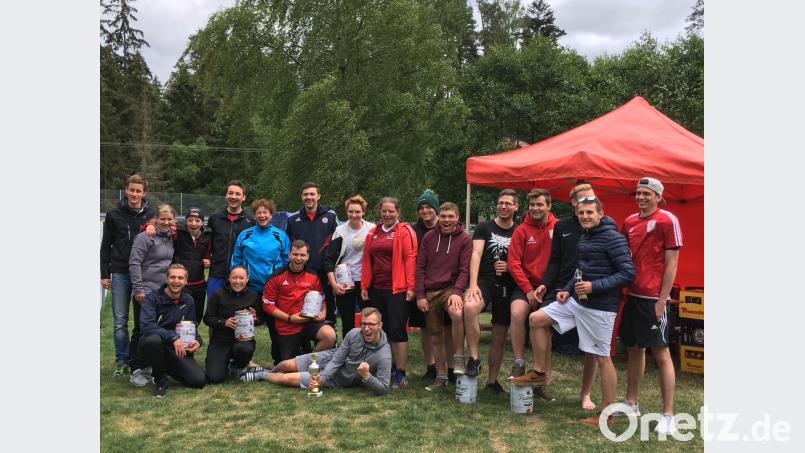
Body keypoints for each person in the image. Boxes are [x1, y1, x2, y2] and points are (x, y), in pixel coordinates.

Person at [512, 197, 634, 426]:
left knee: (602, 358)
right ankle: (539, 372)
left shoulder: (613, 238)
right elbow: (580, 268)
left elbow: (627, 273)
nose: (584, 216)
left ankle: (607, 416)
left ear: (601, 213)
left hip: (600, 308)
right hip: (577, 301)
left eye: (589, 212)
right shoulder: (585, 237)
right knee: (536, 318)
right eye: (581, 213)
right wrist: (567, 290)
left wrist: (593, 286)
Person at [620, 177, 682, 435]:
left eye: (647, 193)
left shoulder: (668, 220)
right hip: (631, 296)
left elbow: (672, 264)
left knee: (661, 354)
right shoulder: (629, 222)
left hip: (653, 299)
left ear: (658, 196)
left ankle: (668, 414)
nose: (641, 197)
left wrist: (661, 300)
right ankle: (631, 402)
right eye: (638, 193)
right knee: (634, 350)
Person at [537, 183, 603, 410]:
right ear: (574, 202)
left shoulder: (604, 223)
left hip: (590, 290)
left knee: (592, 347)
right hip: (563, 289)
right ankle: (541, 379)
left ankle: (585, 394)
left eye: (591, 200)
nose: (588, 205)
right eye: (584, 200)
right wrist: (545, 284)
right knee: (538, 320)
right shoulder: (562, 225)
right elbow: (554, 260)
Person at [240, 308, 392, 396]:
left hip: (338, 379)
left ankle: (261, 375)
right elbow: (338, 358)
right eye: (363, 324)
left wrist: (367, 376)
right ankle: (269, 370)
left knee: (286, 379)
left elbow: (384, 389)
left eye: (371, 324)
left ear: (380, 325)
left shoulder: (383, 354)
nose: (366, 329)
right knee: (285, 364)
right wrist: (323, 377)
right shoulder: (354, 333)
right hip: (328, 359)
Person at [100, 174, 155, 377]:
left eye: (138, 190)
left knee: (143, 321)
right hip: (121, 272)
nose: (134, 194)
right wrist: (105, 274)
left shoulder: (152, 214)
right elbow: (105, 246)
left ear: (144, 193)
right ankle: (121, 360)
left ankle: (141, 360)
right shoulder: (114, 214)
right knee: (120, 321)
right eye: (131, 190)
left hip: (144, 273)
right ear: (126, 190)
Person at [465, 189, 519, 394]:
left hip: (508, 285)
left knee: (499, 333)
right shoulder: (484, 227)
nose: (503, 206)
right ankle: (474, 358)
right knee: (470, 308)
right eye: (500, 202)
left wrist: (510, 267)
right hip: (485, 282)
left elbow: (523, 261)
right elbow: (476, 253)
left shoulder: (519, 230)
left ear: (515, 206)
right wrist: (472, 284)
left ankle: (492, 381)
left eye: (508, 203)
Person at [361, 197, 418, 389]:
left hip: (398, 290)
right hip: (377, 289)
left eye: (391, 211)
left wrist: (411, 287)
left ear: (398, 213)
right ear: (380, 212)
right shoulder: (372, 233)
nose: (387, 214)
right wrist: (365, 285)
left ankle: (400, 373)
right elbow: (366, 261)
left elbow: (410, 259)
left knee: (396, 330)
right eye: (384, 211)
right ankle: (387, 368)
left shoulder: (404, 231)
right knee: (379, 330)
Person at [507, 188, 558, 401]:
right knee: (517, 313)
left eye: (540, 204)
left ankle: (541, 379)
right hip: (525, 285)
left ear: (548, 206)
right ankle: (519, 363)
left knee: (542, 325)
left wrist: (545, 286)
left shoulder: (558, 227)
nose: (535, 209)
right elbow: (513, 263)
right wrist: (527, 289)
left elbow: (560, 260)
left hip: (549, 286)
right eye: (532, 205)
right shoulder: (521, 230)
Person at [415, 202, 472, 390]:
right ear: (439, 216)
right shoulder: (429, 237)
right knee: (436, 335)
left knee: (457, 313)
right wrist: (420, 295)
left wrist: (457, 292)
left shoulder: (464, 239)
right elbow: (420, 267)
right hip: (430, 291)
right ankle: (440, 377)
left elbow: (465, 270)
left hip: (450, 288)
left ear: (457, 217)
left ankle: (458, 358)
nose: (447, 220)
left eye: (451, 216)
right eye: (444, 216)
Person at [231, 199, 291, 364]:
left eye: (266, 212)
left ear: (271, 215)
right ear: (255, 215)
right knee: (245, 323)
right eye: (259, 212)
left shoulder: (280, 235)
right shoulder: (246, 235)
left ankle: (280, 361)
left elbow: (287, 261)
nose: (262, 215)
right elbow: (236, 260)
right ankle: (240, 361)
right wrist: (237, 282)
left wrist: (279, 282)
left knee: (276, 327)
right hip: (250, 289)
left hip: (273, 290)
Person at [262, 240, 337, 361]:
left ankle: (310, 362)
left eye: (302, 255)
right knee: (285, 365)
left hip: (308, 322)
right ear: (289, 254)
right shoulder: (276, 277)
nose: (298, 258)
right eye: (295, 254)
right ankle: (298, 362)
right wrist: (290, 318)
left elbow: (321, 298)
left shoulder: (314, 276)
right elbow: (267, 305)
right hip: (287, 324)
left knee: (329, 335)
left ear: (307, 256)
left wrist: (323, 311)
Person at [138, 264, 205, 398]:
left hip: (176, 347)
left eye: (180, 278)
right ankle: (160, 380)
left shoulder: (188, 300)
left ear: (186, 281)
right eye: (173, 277)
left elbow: (192, 326)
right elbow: (147, 326)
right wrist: (173, 337)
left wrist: (197, 341)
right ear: (167, 279)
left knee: (198, 381)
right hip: (153, 345)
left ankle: (166, 367)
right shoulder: (152, 298)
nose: (176, 281)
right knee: (153, 340)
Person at [128, 204, 177, 387]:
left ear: (173, 220)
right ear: (155, 219)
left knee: (154, 329)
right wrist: (139, 289)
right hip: (145, 291)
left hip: (162, 292)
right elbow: (134, 263)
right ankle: (135, 368)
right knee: (140, 330)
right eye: (162, 219)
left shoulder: (172, 236)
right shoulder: (145, 237)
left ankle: (148, 364)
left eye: (169, 219)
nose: (165, 222)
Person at [411, 189, 456, 384]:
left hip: (446, 287)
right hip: (422, 286)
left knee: (448, 328)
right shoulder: (414, 230)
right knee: (426, 329)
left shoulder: (447, 226)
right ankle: (431, 366)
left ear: (436, 209)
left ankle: (451, 367)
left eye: (428, 206)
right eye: (421, 207)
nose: (425, 210)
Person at [285, 182, 339, 324]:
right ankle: (303, 344)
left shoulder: (331, 216)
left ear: (318, 196)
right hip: (302, 273)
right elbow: (289, 246)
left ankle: (329, 342)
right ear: (301, 197)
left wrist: (332, 269)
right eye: (305, 194)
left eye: (312, 194)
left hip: (325, 273)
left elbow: (338, 244)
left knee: (327, 308)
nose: (309, 197)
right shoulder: (292, 219)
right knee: (301, 307)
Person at [322, 195, 375, 339]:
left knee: (369, 320)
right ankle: (347, 353)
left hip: (366, 282)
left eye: (357, 211)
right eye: (351, 211)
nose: (354, 215)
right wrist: (334, 284)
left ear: (363, 211)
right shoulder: (340, 231)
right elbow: (329, 260)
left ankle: (369, 349)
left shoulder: (372, 229)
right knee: (347, 320)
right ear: (346, 212)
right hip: (345, 282)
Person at [203, 266, 263, 383]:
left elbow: (261, 319)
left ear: (247, 279)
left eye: (241, 278)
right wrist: (223, 322)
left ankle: (237, 365)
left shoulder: (253, 295)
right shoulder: (218, 294)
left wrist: (255, 319)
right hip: (221, 340)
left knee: (245, 349)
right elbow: (207, 318)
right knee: (214, 378)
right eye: (234, 278)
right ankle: (223, 362)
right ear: (229, 279)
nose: (238, 281)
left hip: (243, 340)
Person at [206, 180, 256, 300]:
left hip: (240, 276)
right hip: (217, 273)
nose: (234, 197)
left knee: (238, 313)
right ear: (226, 195)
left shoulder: (251, 222)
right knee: (214, 310)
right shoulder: (214, 219)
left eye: (238, 194)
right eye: (231, 193)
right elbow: (207, 244)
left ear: (243, 197)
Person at [173, 207, 212, 324]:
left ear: (202, 222)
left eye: (197, 220)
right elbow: (161, 221)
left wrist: (208, 260)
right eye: (190, 220)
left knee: (196, 315)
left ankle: (192, 339)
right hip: (180, 283)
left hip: (199, 284)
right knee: (177, 317)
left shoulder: (207, 235)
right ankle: (174, 340)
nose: (193, 223)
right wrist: (149, 225)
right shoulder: (177, 232)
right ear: (186, 221)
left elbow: (207, 254)